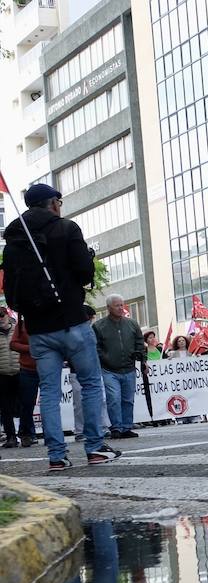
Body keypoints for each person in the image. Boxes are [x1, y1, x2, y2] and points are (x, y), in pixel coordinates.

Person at [0, 182, 120, 470]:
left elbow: (11, 287)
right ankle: (94, 447)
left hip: (38, 329)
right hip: (71, 321)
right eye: (59, 202)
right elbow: (84, 272)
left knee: (50, 391)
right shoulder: (66, 228)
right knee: (90, 383)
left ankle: (56, 455)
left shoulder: (14, 240)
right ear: (53, 203)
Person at [93, 294, 146, 439]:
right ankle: (116, 427)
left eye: (122, 305)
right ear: (108, 308)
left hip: (129, 368)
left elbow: (140, 343)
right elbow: (96, 347)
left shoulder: (132, 324)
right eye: (117, 305)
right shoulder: (98, 326)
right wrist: (104, 358)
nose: (121, 308)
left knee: (128, 400)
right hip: (109, 370)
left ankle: (126, 427)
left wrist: (143, 360)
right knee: (114, 398)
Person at [8, 317, 39, 448]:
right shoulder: (21, 325)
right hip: (28, 369)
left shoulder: (50, 321)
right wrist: (31, 348)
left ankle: (52, 434)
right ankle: (25, 433)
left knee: (51, 402)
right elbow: (13, 344)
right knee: (27, 403)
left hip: (48, 368)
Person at [0, 309, 20, 448]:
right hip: (2, 375)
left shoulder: (18, 330)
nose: (0, 319)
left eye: (2, 315)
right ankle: (11, 436)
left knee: (24, 405)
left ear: (7, 316)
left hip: (20, 372)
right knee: (5, 408)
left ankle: (27, 434)